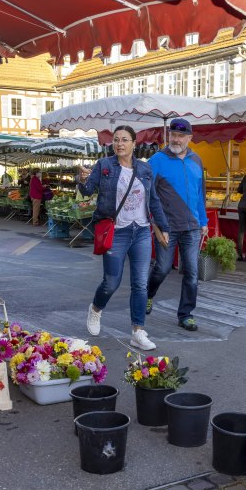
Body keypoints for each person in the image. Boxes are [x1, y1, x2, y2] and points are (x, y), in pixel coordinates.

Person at [78, 125, 169, 350]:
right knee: (111, 281)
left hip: (141, 231)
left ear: (134, 143)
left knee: (140, 284)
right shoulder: (104, 165)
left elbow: (154, 200)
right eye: (116, 140)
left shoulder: (145, 169)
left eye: (125, 139)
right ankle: (96, 309)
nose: (119, 143)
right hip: (116, 231)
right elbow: (87, 191)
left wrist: (163, 226)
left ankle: (137, 331)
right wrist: (81, 179)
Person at [146, 117, 207, 332]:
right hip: (166, 227)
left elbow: (201, 194)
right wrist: (154, 223)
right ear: (168, 136)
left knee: (191, 272)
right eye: (173, 135)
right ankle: (148, 294)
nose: (176, 139)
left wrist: (204, 220)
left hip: (191, 227)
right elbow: (147, 195)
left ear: (190, 138)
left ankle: (186, 314)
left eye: (181, 136)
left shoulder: (197, 160)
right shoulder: (156, 161)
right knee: (162, 269)